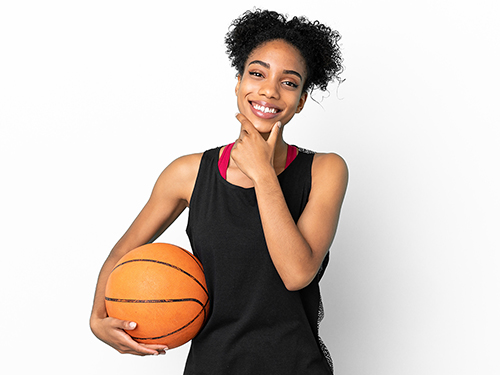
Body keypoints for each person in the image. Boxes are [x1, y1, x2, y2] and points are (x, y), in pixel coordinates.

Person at [90, 9, 348, 374]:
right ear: (239, 83)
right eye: (256, 73)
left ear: (302, 100)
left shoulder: (325, 169)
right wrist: (97, 318)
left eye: (289, 83)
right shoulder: (188, 173)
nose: (269, 90)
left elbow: (296, 273)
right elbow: (124, 252)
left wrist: (262, 173)